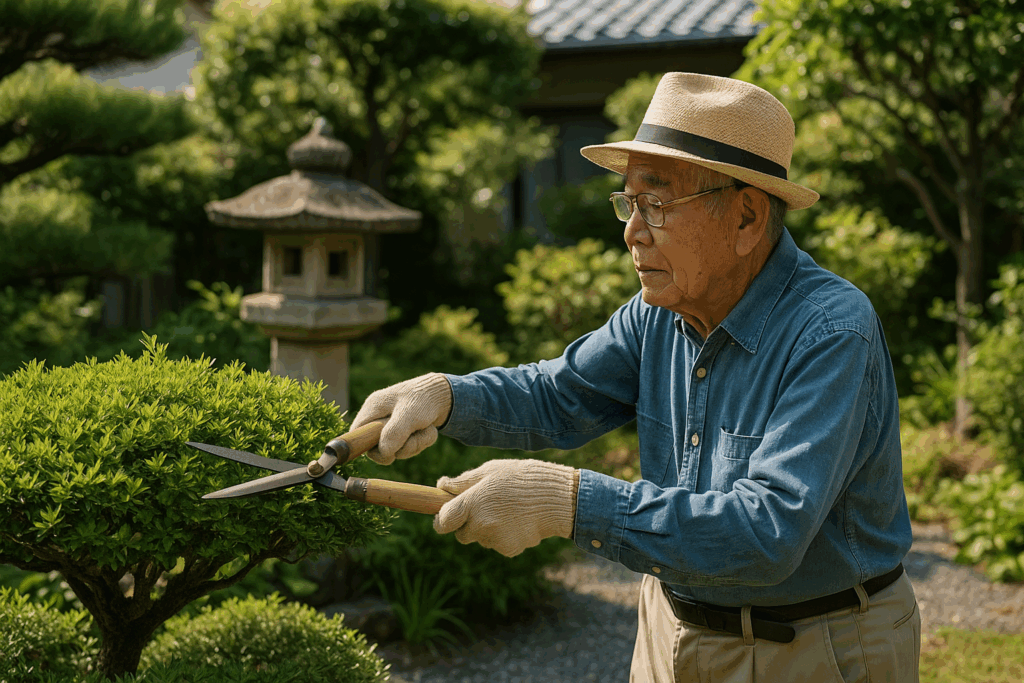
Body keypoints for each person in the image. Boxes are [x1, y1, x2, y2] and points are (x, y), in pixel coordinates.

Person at [350, 72, 921, 682]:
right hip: (670, 630)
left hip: (815, 647)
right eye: (628, 203)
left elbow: (766, 532)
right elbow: (558, 395)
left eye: (656, 204)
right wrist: (444, 396)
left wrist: (569, 503)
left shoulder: (829, 331)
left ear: (748, 218)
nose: (631, 232)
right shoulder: (659, 310)